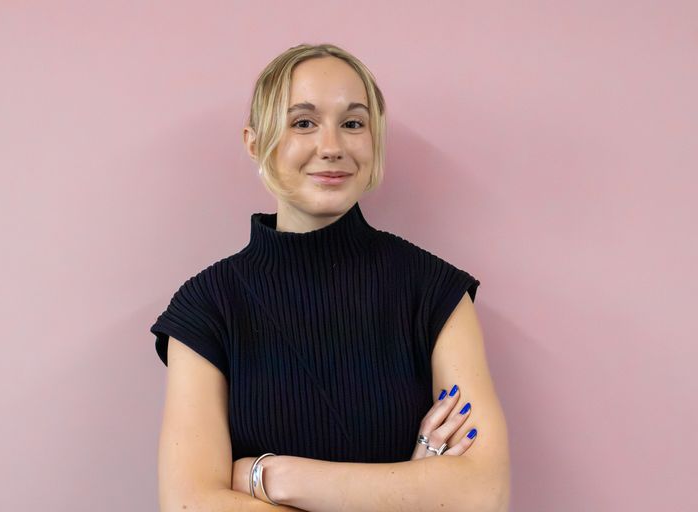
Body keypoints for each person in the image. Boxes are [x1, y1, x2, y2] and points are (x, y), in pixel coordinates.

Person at [151, 43, 511, 511]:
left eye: (353, 123)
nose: (332, 147)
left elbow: (484, 494)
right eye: (303, 123)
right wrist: (411, 493)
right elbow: (189, 505)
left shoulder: (434, 292)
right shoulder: (207, 307)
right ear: (255, 143)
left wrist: (275, 477)